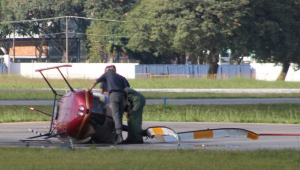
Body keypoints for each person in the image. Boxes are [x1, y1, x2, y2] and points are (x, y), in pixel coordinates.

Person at [87, 65, 128, 144]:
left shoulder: (107, 74)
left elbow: (96, 81)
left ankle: (118, 137)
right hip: (122, 96)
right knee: (119, 116)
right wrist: (126, 102)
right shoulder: (121, 77)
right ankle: (119, 136)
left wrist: (89, 90)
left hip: (114, 95)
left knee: (115, 116)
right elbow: (126, 90)